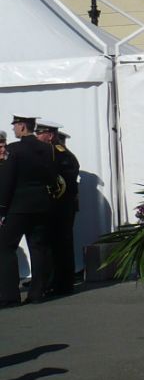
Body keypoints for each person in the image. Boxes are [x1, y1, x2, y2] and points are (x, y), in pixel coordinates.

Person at [0, 114, 58, 306]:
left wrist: (2, 208)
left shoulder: (14, 149)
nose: (14, 129)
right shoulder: (47, 149)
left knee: (6, 248)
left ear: (22, 126)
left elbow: (7, 180)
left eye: (16, 126)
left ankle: (9, 295)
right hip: (41, 204)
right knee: (38, 247)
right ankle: (37, 293)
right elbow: (52, 178)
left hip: (19, 206)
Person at [36, 121, 79, 296]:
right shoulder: (52, 152)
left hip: (61, 206)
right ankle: (53, 280)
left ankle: (62, 283)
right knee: (54, 244)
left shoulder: (59, 154)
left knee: (61, 245)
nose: (37, 136)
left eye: (40, 133)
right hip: (58, 205)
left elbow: (62, 180)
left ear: (50, 135)